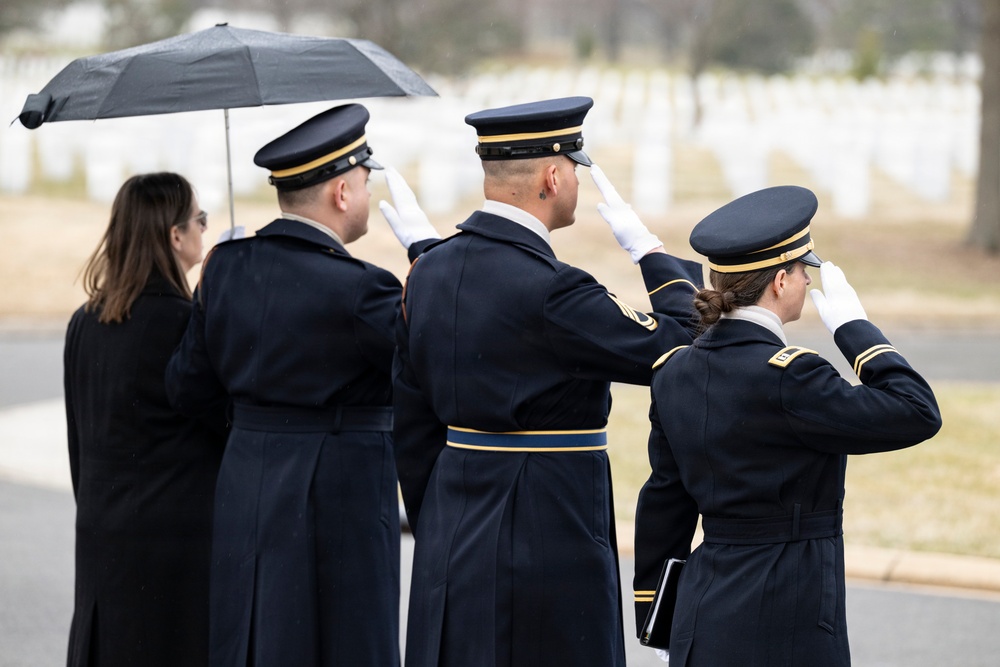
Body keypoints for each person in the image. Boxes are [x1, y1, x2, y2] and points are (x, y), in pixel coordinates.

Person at [392, 96, 704, 667]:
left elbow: (411, 421)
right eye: (575, 171)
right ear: (552, 178)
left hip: (451, 517)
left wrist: (436, 518)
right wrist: (653, 255)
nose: (578, 184)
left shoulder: (427, 271)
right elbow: (685, 346)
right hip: (548, 521)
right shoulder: (556, 290)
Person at [165, 103, 438, 667]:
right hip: (343, 486)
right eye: (364, 182)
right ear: (341, 192)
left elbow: (187, 387)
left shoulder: (223, 267)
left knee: (253, 635)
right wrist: (431, 260)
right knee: (346, 640)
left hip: (246, 474)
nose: (367, 194)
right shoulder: (364, 288)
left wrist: (257, 423)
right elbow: (440, 362)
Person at [631, 185, 943, 666]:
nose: (807, 281)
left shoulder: (674, 372)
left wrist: (657, 615)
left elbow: (664, 503)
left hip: (702, 610)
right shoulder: (791, 375)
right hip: (787, 612)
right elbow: (916, 411)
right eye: (802, 271)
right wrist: (856, 331)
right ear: (780, 281)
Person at [63, 172, 228, 667]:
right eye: (200, 218)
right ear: (175, 235)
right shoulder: (184, 323)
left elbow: (79, 441)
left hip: (101, 534)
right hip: (175, 548)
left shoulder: (84, 321)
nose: (205, 227)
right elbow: (225, 423)